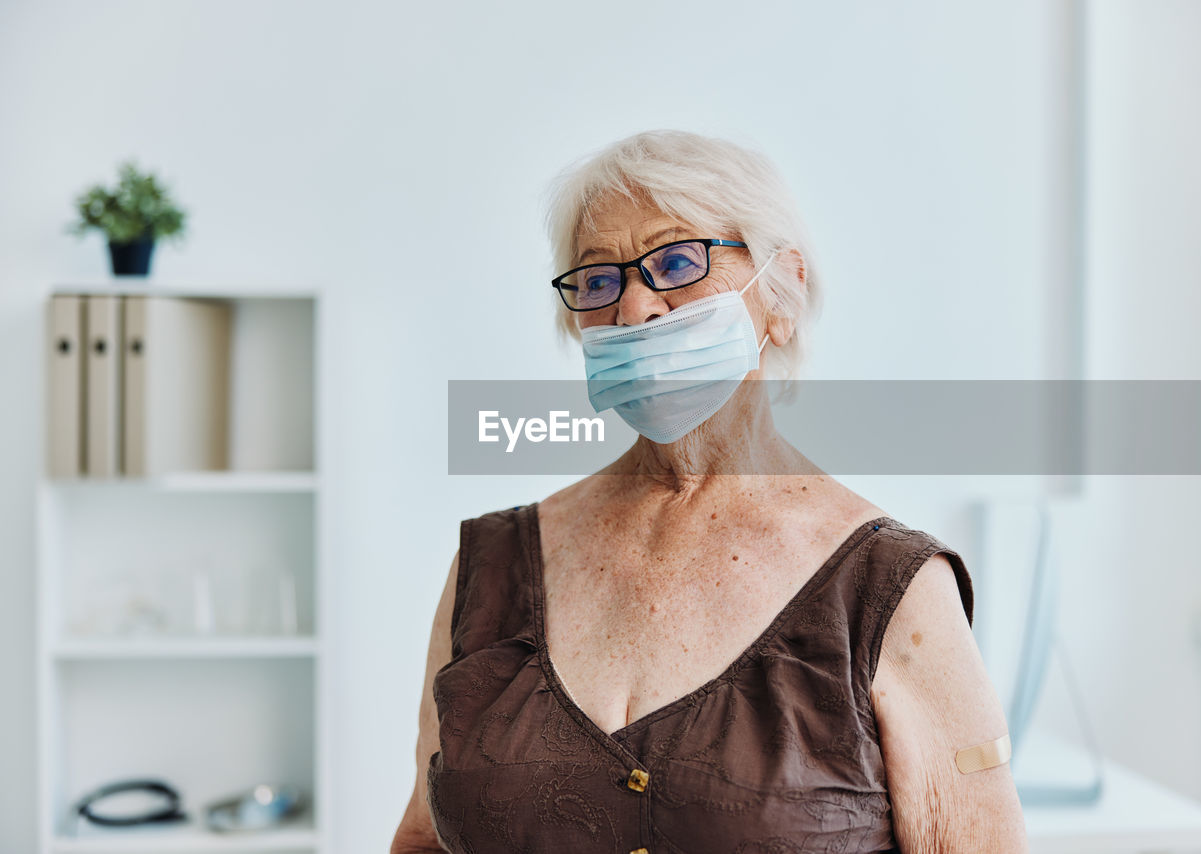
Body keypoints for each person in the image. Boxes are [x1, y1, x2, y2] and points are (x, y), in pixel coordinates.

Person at [391, 130, 1027, 853]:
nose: (634, 309)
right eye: (599, 280)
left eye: (675, 262)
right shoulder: (491, 565)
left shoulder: (890, 587)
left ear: (781, 294)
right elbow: (422, 837)